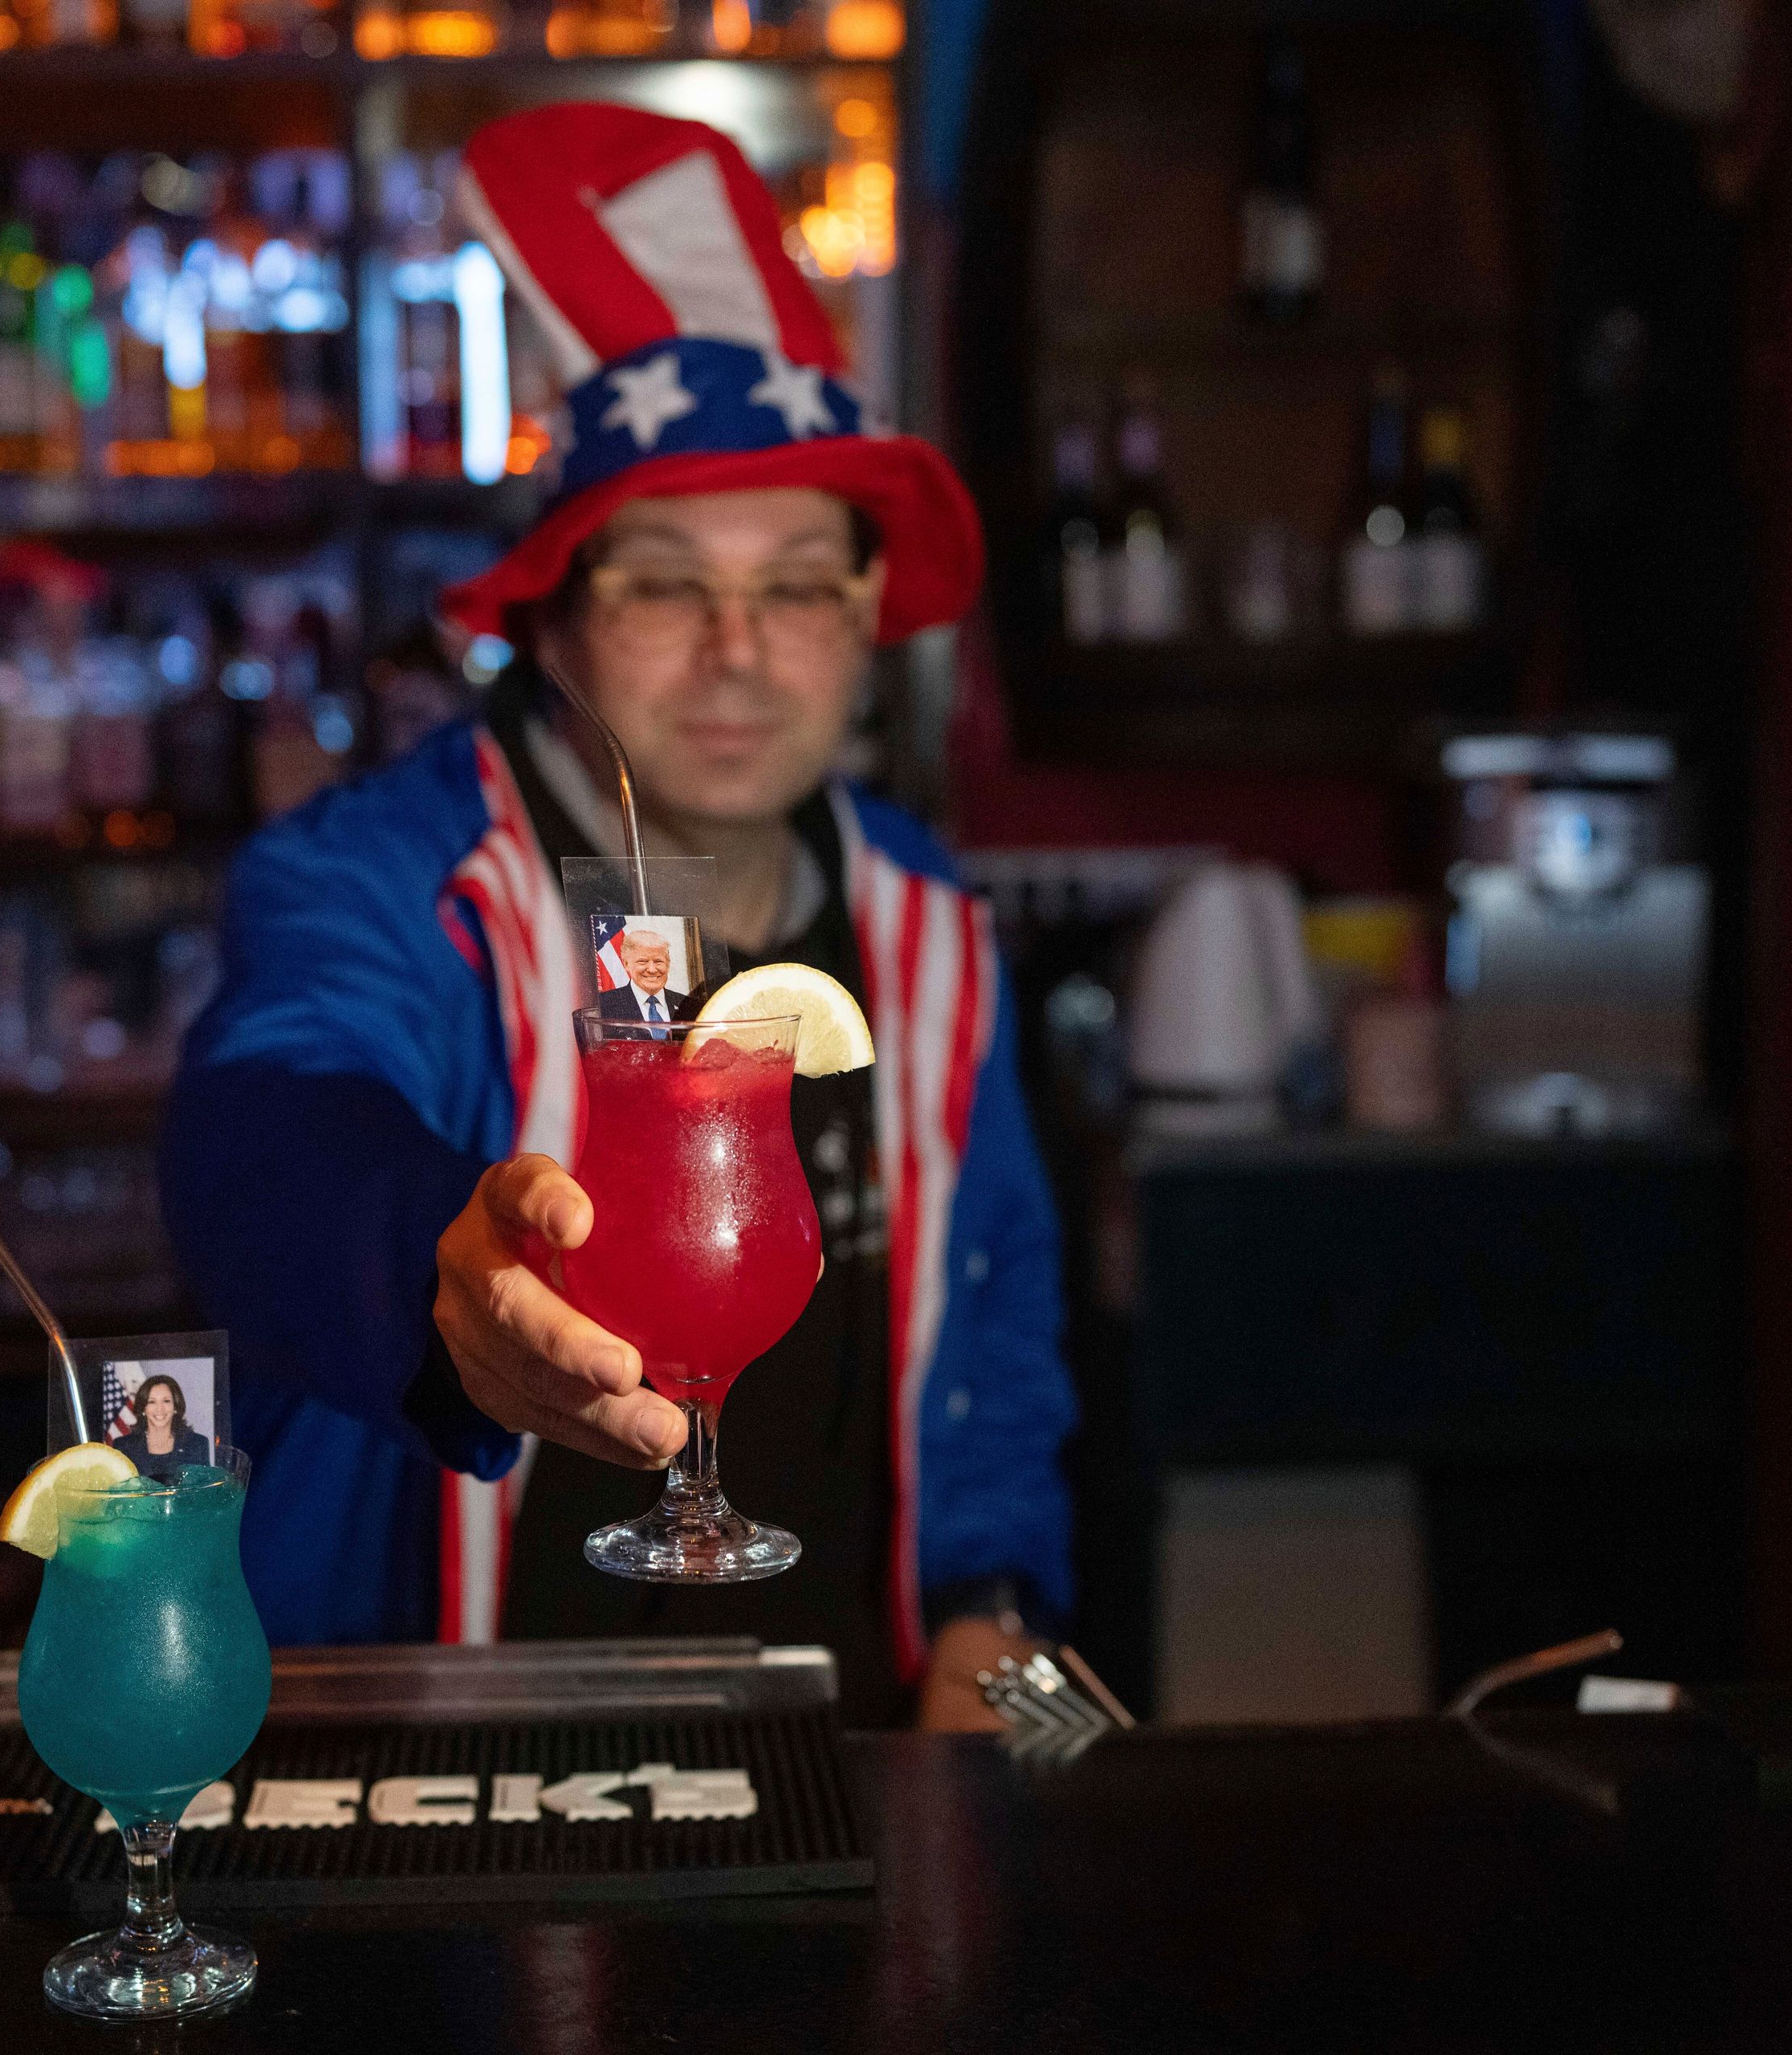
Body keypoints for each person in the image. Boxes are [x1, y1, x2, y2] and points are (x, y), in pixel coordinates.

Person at [158, 104, 1073, 1730]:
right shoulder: (387, 875)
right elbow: (262, 1129)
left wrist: (990, 1615)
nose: (739, 648)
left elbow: (989, 1323)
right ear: (559, 622)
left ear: (867, 618)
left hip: (840, 1752)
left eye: (798, 582)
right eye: (664, 581)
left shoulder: (926, 920)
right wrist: (435, 1273)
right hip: (447, 1761)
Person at [114, 1373, 219, 1481]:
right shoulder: (123, 1447)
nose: (160, 1409)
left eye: (166, 1401)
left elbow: (204, 1491)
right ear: (143, 1409)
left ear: (176, 1407)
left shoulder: (197, 1444)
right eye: (152, 1402)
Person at [593, 929, 681, 1026]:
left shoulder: (689, 1005)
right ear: (626, 964)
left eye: (658, 961)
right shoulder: (604, 1004)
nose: (652, 970)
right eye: (642, 961)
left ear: (668, 965)